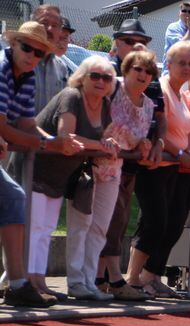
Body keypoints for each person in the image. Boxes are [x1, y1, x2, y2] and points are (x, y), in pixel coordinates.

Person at [0, 20, 82, 308]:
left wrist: (58, 141)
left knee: (13, 198)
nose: (32, 56)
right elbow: (6, 130)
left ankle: (18, 284)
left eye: (38, 52)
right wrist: (51, 144)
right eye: (27, 48)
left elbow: (25, 124)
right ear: (13, 44)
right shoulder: (1, 69)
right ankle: (18, 283)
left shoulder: (27, 75)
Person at [28, 56, 118, 301]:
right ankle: (26, 282)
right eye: (95, 76)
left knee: (46, 228)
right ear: (82, 77)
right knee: (35, 228)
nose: (101, 81)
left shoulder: (105, 103)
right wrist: (99, 144)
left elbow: (102, 139)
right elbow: (66, 135)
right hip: (36, 167)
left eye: (106, 77)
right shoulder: (72, 96)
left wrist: (107, 143)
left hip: (61, 175)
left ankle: (39, 283)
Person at [126, 41, 190, 298]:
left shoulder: (183, 94)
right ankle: (132, 278)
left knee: (170, 224)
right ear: (169, 65)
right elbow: (155, 127)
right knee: (154, 223)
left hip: (173, 169)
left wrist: (185, 151)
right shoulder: (160, 88)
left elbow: (183, 131)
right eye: (182, 63)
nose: (187, 67)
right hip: (154, 165)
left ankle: (150, 277)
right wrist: (178, 152)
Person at [97, 48, 157, 302]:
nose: (143, 75)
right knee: (107, 222)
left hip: (127, 169)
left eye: (148, 71)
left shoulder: (149, 104)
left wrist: (146, 144)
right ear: (126, 70)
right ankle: (112, 279)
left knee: (118, 223)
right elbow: (109, 124)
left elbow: (143, 138)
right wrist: (136, 140)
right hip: (101, 164)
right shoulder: (113, 89)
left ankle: (100, 279)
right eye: (138, 69)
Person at [31, 4, 70, 110]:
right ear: (33, 26)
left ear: (59, 31)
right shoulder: (18, 60)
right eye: (44, 23)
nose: (49, 29)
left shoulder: (62, 68)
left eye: (55, 25)